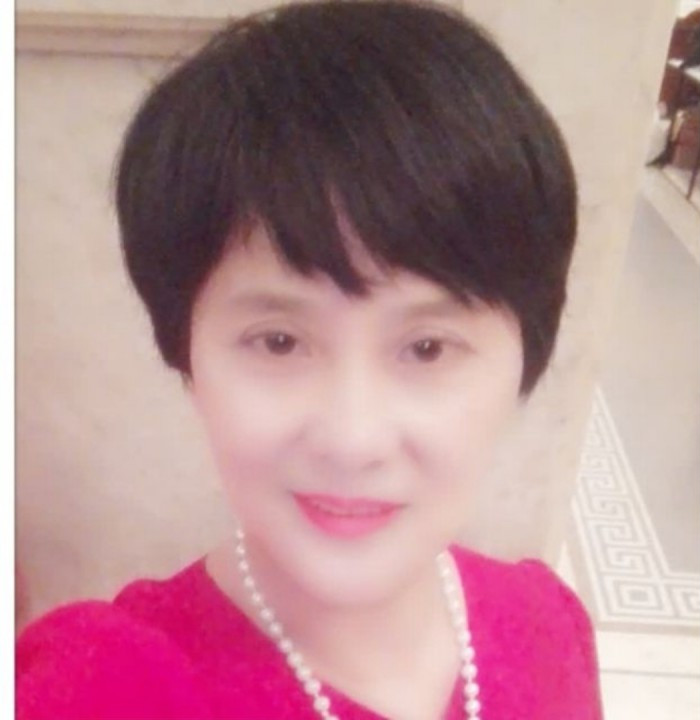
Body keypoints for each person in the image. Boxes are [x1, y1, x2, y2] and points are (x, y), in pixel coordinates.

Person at [15, 1, 603, 718]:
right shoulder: (99, 689)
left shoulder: (548, 629)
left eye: (426, 348)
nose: (352, 441)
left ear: (527, 355)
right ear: (185, 352)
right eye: (279, 341)